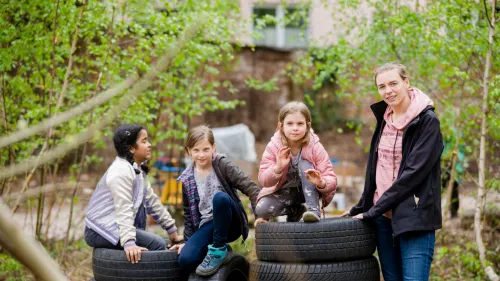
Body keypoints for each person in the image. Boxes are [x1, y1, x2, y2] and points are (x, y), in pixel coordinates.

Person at [344, 63, 444, 281]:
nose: (388, 90)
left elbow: (411, 176)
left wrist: (372, 211)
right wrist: (362, 207)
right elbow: (375, 168)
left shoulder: (427, 122)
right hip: (383, 218)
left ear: (406, 83)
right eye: (381, 86)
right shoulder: (384, 119)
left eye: (393, 83)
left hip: (414, 217)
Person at [84, 124, 182, 264]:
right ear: (131, 148)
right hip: (99, 230)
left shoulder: (137, 169)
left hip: (114, 225)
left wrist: (171, 230)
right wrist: (129, 242)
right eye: (144, 141)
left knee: (144, 208)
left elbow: (152, 202)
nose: (149, 145)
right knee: (157, 244)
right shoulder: (120, 172)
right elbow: (123, 209)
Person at [170, 125, 260, 276]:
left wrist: (260, 216)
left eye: (206, 149)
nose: (201, 155)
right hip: (207, 225)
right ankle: (217, 249)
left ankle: (218, 249)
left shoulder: (222, 165)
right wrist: (186, 241)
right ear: (188, 151)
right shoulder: (187, 179)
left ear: (214, 147)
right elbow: (188, 213)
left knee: (219, 197)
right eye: (196, 150)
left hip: (230, 221)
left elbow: (252, 189)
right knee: (185, 260)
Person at [254, 101, 337, 224]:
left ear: (307, 126)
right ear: (280, 126)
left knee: (305, 163)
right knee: (261, 210)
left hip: (310, 192)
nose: (295, 128)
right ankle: (296, 210)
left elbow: (331, 178)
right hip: (286, 193)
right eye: (290, 123)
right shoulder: (274, 146)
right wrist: (277, 168)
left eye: (300, 123)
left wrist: (321, 182)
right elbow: (263, 180)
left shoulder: (315, 147)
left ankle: (313, 210)